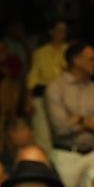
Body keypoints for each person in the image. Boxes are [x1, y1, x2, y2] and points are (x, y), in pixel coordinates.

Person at [45, 41, 94, 187]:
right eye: (92, 59)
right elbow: (60, 127)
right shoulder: (55, 87)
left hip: (93, 154)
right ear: (77, 60)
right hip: (66, 155)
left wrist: (78, 120)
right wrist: (91, 123)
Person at [26, 21, 70, 152]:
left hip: (65, 96)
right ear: (51, 32)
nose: (60, 34)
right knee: (41, 133)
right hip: (43, 94)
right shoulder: (41, 53)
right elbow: (32, 77)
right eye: (58, 30)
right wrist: (29, 100)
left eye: (64, 31)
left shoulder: (70, 51)